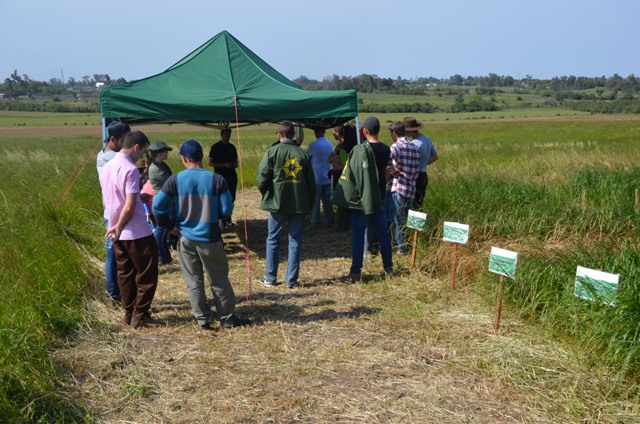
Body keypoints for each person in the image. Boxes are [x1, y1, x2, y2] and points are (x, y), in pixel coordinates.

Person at [153, 140, 252, 330]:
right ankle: (227, 318)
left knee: (194, 281)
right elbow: (227, 209)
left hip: (185, 238)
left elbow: (157, 207)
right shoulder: (217, 180)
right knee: (219, 279)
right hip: (211, 237)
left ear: (184, 158)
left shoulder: (175, 180)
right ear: (202, 157)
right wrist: (215, 215)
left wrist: (170, 227)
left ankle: (203, 320)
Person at [99, 130, 159, 330]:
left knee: (125, 274)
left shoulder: (107, 167)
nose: (142, 156)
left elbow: (108, 200)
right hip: (135, 231)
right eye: (143, 152)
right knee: (146, 274)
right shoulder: (130, 169)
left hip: (115, 232)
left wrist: (115, 225)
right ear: (136, 147)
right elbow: (129, 206)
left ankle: (129, 313)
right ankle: (139, 316)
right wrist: (120, 224)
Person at [332, 116, 393, 282]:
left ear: (365, 131)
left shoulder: (359, 150)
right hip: (379, 196)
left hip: (361, 199)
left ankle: (355, 271)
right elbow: (386, 172)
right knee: (383, 233)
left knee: (358, 235)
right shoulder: (386, 150)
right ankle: (388, 267)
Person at [257, 121, 315, 289]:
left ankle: (270, 278)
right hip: (299, 203)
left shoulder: (272, 151)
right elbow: (311, 184)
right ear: (293, 135)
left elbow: (261, 178)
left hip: (277, 203)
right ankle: (291, 281)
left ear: (279, 134)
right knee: (295, 240)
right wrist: (309, 205)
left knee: (273, 239)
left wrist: (267, 194)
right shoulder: (303, 154)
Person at [96, 121, 131, 305]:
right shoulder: (112, 158)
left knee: (115, 253)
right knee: (112, 254)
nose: (126, 143)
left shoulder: (103, 155)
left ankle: (116, 292)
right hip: (115, 211)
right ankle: (114, 294)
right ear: (113, 139)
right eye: (124, 139)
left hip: (111, 210)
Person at [386, 121, 421, 254]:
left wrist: (394, 172)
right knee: (405, 218)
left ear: (394, 133)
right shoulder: (414, 147)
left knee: (396, 218)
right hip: (411, 187)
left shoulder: (395, 146)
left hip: (398, 186)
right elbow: (417, 168)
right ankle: (406, 244)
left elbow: (386, 161)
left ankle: (400, 247)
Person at [403, 117, 438, 209]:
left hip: (415, 176)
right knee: (419, 203)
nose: (405, 133)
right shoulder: (427, 139)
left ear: (410, 131)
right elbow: (435, 156)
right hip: (424, 175)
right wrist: (424, 163)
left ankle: (411, 219)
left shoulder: (414, 144)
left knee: (411, 204)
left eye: (406, 131)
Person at [148, 141, 174, 265]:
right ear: (160, 153)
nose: (167, 153)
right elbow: (170, 182)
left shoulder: (160, 165)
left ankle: (165, 257)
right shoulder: (156, 168)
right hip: (162, 203)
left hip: (165, 202)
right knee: (161, 231)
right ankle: (159, 256)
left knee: (163, 231)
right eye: (165, 151)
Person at [208, 128, 238, 229]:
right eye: (226, 134)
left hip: (231, 176)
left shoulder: (232, 147)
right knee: (219, 198)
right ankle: (220, 220)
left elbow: (236, 163)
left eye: (229, 134)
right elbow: (210, 163)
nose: (227, 136)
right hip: (219, 177)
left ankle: (228, 220)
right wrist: (224, 165)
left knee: (231, 198)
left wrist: (233, 164)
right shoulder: (215, 147)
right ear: (221, 135)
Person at [329, 124, 358, 229]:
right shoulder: (359, 146)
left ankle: (339, 223)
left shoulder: (342, 147)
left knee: (342, 202)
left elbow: (341, 162)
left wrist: (337, 163)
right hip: (356, 178)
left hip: (343, 177)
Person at [306, 128, 334, 229]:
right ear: (324, 132)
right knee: (327, 201)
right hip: (327, 177)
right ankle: (329, 220)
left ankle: (315, 222)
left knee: (315, 201)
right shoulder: (330, 144)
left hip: (316, 177)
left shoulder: (313, 145)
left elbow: (307, 157)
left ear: (315, 133)